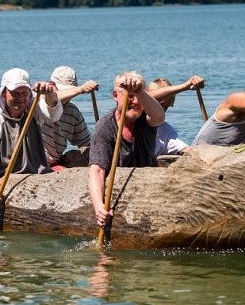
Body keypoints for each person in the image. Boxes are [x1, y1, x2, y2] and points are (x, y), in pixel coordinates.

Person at [0, 68, 63, 209]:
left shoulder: (33, 108)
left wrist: (50, 94)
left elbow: (54, 115)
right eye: (15, 93)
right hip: (8, 182)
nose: (20, 97)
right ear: (4, 93)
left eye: (24, 93)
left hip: (41, 177)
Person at [89, 71, 165, 227]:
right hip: (119, 190)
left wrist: (140, 91)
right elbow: (97, 170)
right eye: (130, 96)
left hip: (149, 187)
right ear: (115, 95)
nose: (135, 101)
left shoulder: (145, 118)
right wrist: (99, 207)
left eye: (138, 96)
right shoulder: (105, 127)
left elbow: (159, 117)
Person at [42, 66, 98, 170]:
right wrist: (80, 89)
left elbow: (87, 143)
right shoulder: (38, 102)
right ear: (51, 85)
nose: (69, 95)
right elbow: (51, 98)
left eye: (70, 90)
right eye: (65, 90)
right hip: (32, 162)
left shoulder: (72, 111)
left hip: (54, 164)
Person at [146, 75, 204, 156]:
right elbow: (147, 97)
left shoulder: (165, 130)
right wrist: (185, 86)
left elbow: (183, 148)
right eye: (159, 104)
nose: (162, 110)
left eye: (166, 106)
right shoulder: (132, 120)